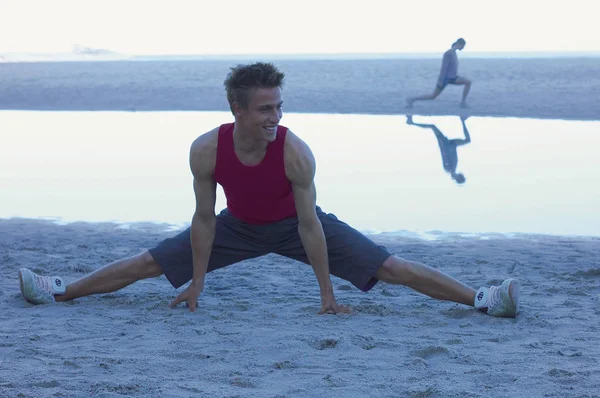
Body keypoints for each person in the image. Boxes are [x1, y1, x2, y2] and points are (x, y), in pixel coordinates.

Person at [17, 62, 519, 318]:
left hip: (296, 227)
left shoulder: (296, 152)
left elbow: (308, 224)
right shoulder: (207, 150)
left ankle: (483, 299)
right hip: (236, 228)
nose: (275, 117)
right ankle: (59, 291)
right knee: (149, 262)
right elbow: (204, 219)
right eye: (264, 109)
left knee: (389, 267)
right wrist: (196, 282)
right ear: (238, 111)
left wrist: (327, 294)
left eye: (278, 106)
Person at [406, 38, 472, 108]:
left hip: (453, 78)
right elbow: (443, 68)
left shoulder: (454, 53)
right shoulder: (448, 53)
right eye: (463, 46)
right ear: (459, 44)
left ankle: (463, 103)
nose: (463, 48)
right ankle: (412, 99)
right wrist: (440, 80)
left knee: (468, 82)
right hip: (445, 79)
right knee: (432, 96)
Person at [406, 115, 471, 184]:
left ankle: (411, 122)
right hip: (451, 145)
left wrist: (454, 175)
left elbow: (444, 155)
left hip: (445, 144)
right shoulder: (452, 169)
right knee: (467, 140)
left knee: (432, 126)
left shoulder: (449, 170)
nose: (461, 175)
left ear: (458, 178)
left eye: (461, 177)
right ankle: (463, 120)